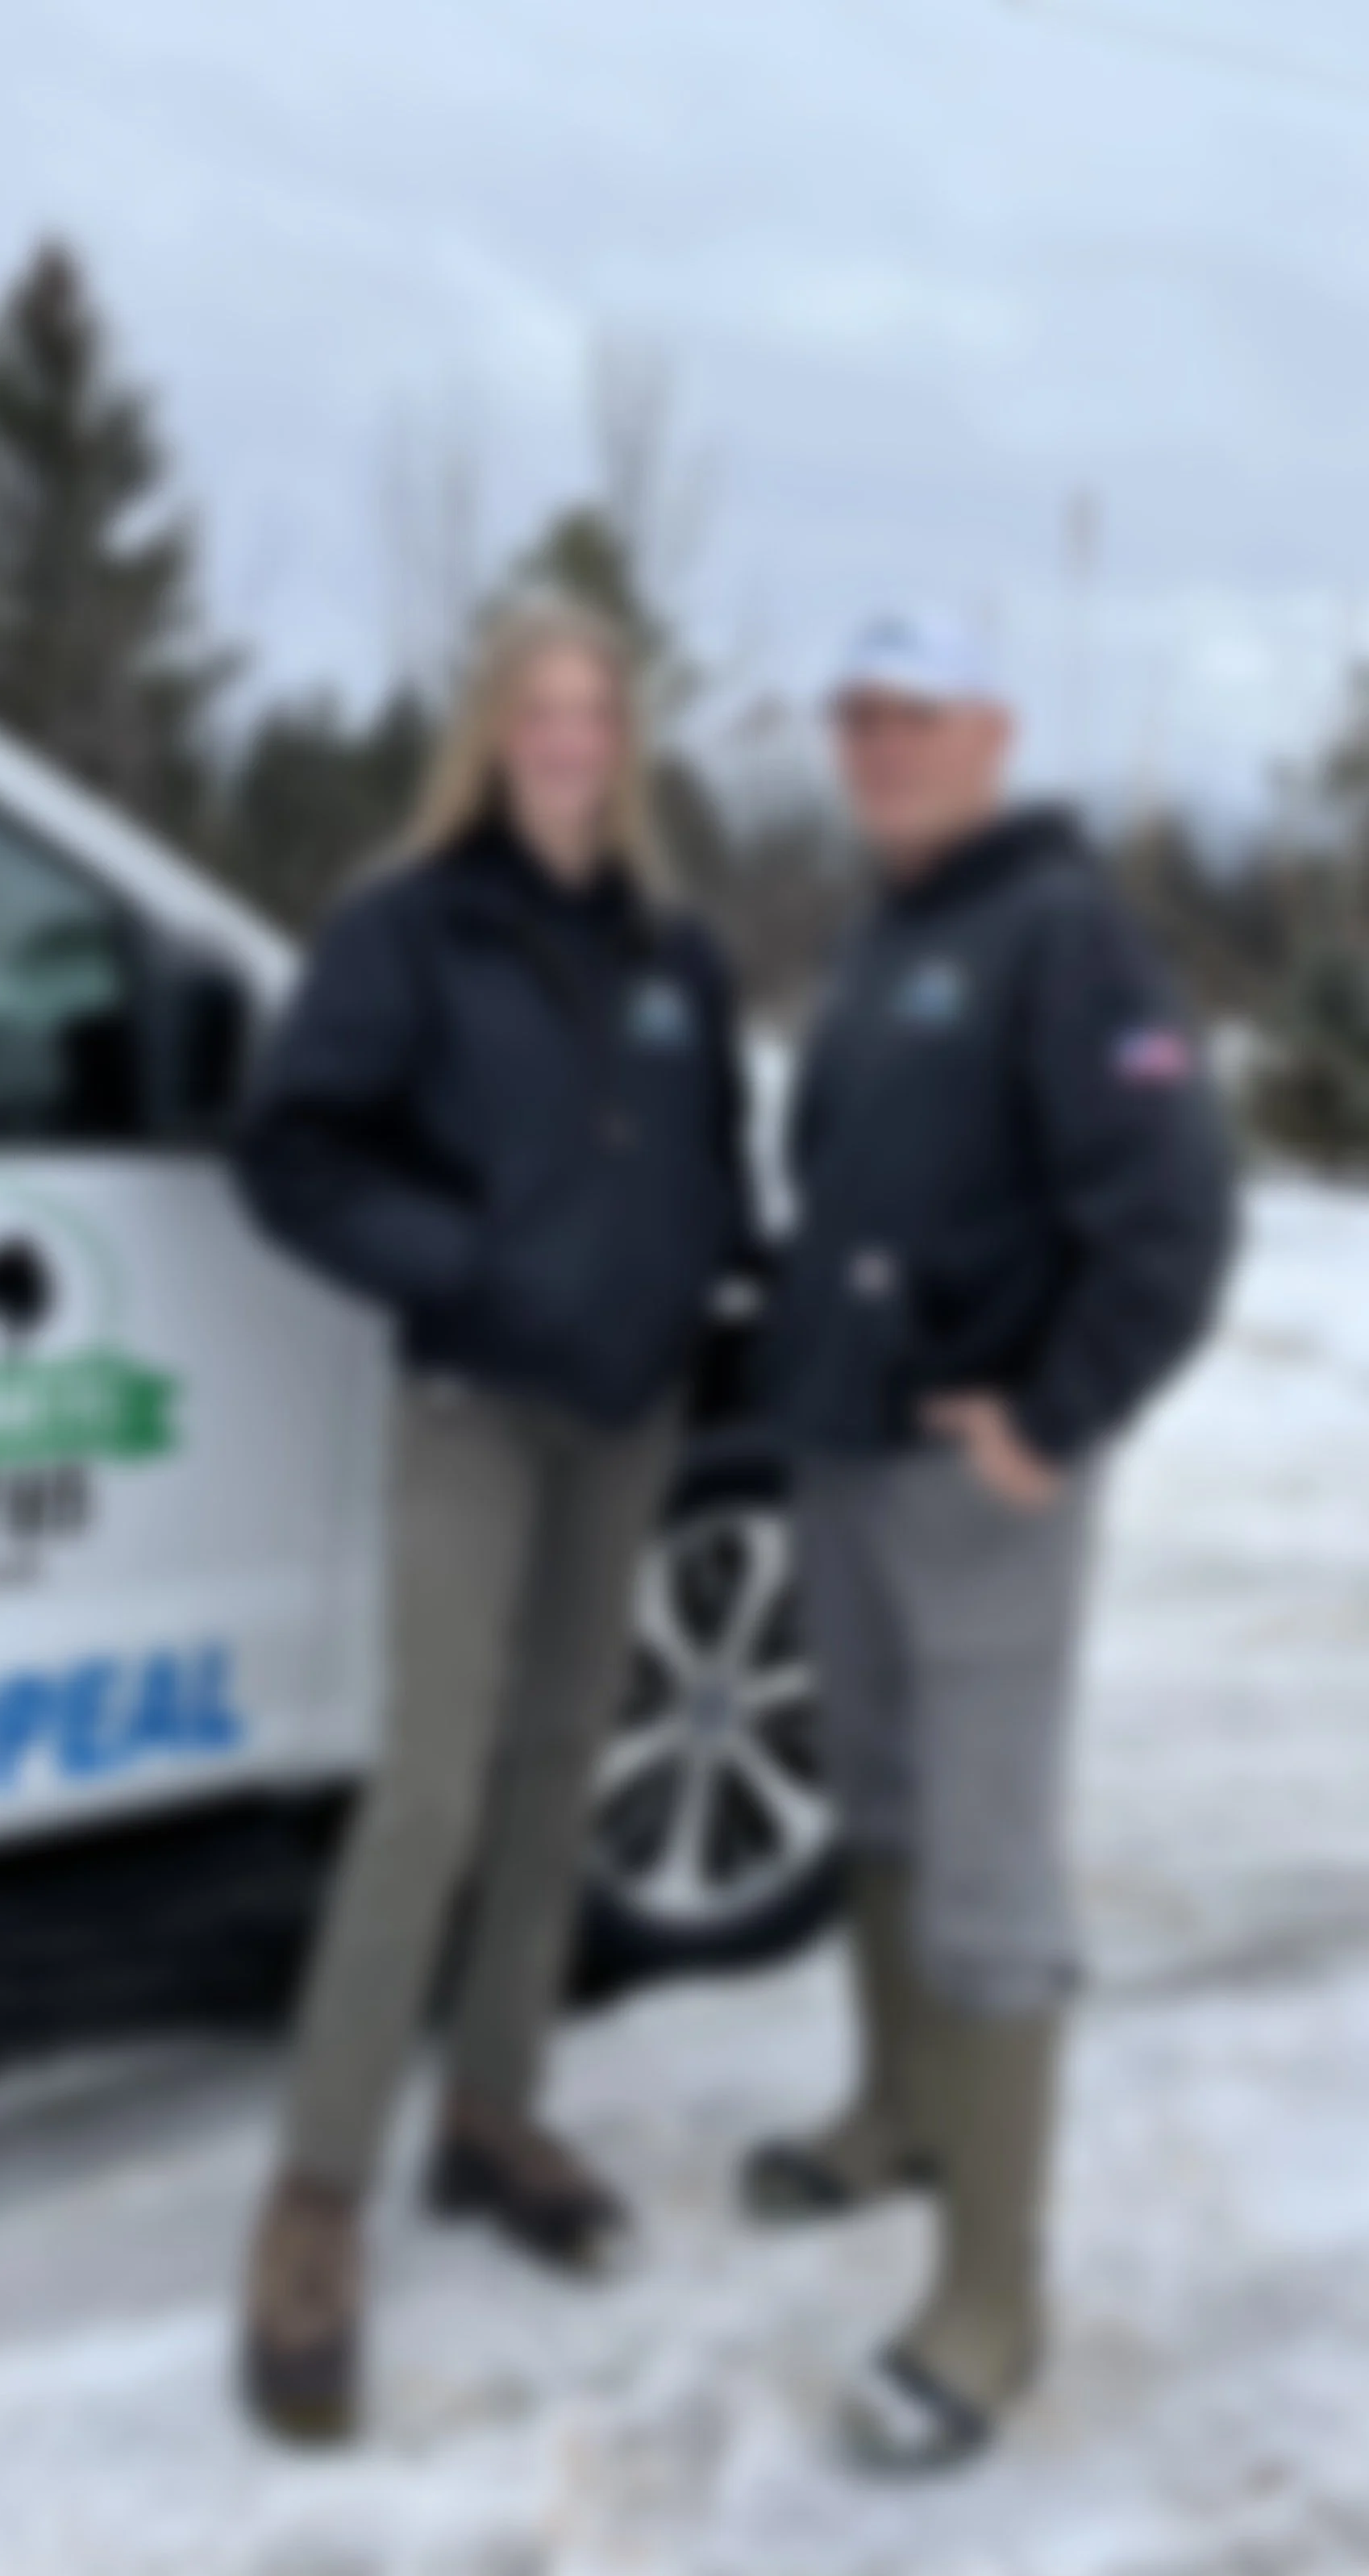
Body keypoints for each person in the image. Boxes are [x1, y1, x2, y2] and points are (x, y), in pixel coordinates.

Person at [231, 594, 756, 2445]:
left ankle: (495, 2110)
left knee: (560, 1762)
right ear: (493, 730)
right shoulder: (407, 924)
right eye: (537, 709)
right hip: (472, 1400)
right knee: (434, 1784)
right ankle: (315, 2197)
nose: (567, 740)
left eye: (595, 711)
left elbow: (708, 1164)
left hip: (626, 1411)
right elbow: (291, 1148)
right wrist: (465, 1265)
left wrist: (710, 1280)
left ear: (627, 740)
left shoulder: (677, 949)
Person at [751, 610, 1234, 2472]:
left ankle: (992, 2301)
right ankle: (900, 2110)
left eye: (915, 717)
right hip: (846, 1446)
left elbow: (1174, 1216)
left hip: (980, 1479)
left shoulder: (1063, 932)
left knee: (986, 1851)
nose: (880, 746)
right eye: (856, 715)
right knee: (874, 1798)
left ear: (993, 733)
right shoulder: (886, 934)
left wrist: (1055, 1413)